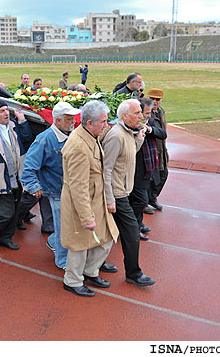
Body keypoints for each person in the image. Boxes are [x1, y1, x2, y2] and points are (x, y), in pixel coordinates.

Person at [61, 101, 119, 297]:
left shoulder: (91, 135)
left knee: (108, 237)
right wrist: (87, 217)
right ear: (89, 123)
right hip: (82, 204)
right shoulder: (78, 146)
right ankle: (73, 281)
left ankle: (90, 271)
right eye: (103, 121)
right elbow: (78, 187)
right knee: (78, 245)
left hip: (96, 199)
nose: (107, 125)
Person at [102, 99, 155, 287]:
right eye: (137, 113)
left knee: (109, 232)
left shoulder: (127, 133)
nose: (141, 116)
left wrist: (139, 138)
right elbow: (106, 169)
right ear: (124, 116)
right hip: (116, 194)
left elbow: (129, 154)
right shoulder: (116, 136)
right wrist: (110, 199)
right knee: (132, 232)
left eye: (141, 112)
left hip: (124, 190)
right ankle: (134, 273)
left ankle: (96, 264)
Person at [20, 102, 79, 270]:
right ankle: (62, 262)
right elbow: (29, 167)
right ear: (58, 121)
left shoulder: (71, 134)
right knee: (63, 226)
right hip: (56, 192)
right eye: (69, 119)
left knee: (70, 225)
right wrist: (34, 186)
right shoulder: (44, 140)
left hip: (71, 190)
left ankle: (53, 241)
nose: (73, 121)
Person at [0, 98, 32, 251]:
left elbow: (27, 138)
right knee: (5, 213)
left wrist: (22, 121)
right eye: (2, 111)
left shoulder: (13, 126)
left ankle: (5, 238)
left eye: (6, 110)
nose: (6, 113)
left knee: (16, 212)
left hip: (17, 177)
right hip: (1, 178)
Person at [129, 97, 166, 241]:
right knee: (140, 200)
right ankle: (133, 227)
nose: (149, 116)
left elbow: (163, 134)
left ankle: (138, 224)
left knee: (142, 198)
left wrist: (149, 129)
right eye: (146, 113)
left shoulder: (149, 123)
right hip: (136, 170)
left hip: (149, 167)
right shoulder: (131, 126)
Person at [147, 88, 169, 211]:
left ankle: (153, 198)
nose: (155, 101)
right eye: (152, 99)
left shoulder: (161, 111)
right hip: (151, 150)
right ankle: (145, 202)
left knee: (163, 174)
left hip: (162, 150)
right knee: (149, 178)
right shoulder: (146, 113)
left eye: (157, 99)